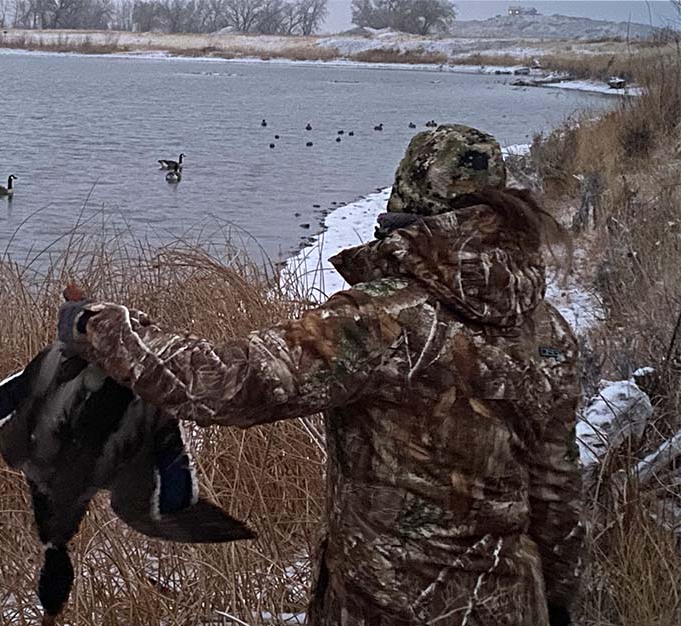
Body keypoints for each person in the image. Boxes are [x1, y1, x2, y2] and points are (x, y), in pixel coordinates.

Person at [57, 125, 584, 626]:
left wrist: (102, 328)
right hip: (512, 601)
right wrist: (555, 600)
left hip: (394, 607)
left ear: (408, 213)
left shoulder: (382, 321)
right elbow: (555, 489)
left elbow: (227, 382)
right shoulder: (548, 328)